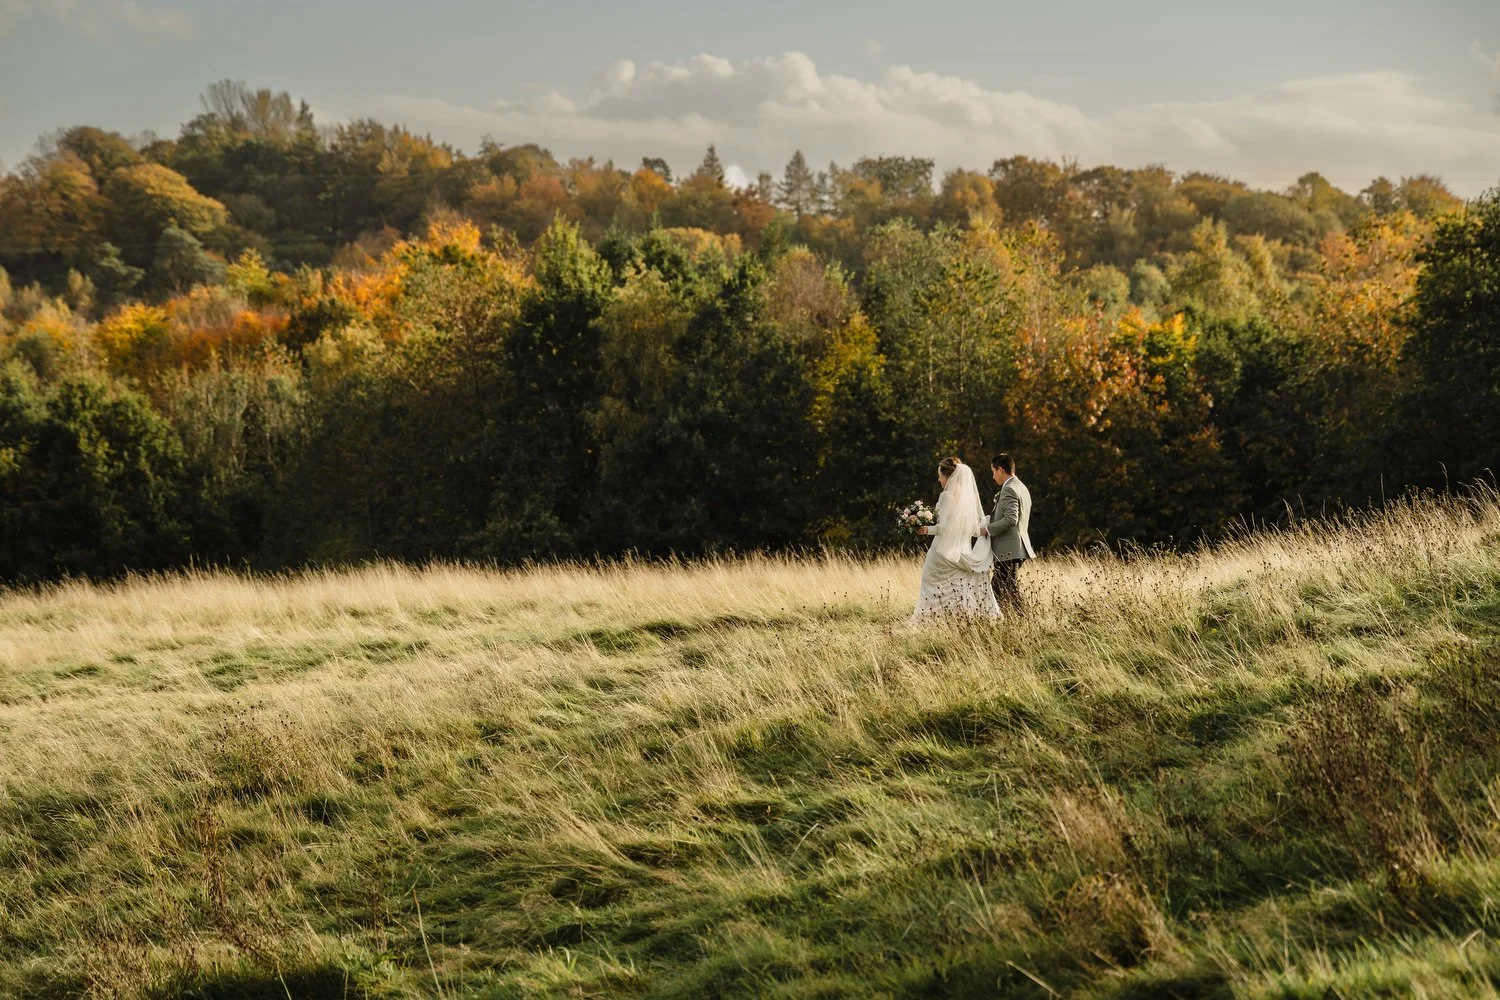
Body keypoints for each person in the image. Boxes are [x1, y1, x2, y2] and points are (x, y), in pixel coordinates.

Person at [912, 457, 1002, 622]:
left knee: (929, 580)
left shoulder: (946, 496)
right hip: (960, 549)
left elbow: (945, 528)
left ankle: (928, 620)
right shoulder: (966, 498)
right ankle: (956, 618)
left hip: (942, 551)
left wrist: (927, 529)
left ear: (948, 476)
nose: (939, 479)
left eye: (940, 475)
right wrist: (982, 532)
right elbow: (969, 527)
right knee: (959, 584)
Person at [980, 453, 1035, 613]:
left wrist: (988, 529)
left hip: (1009, 550)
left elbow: (1011, 518)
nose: (993, 476)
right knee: (1007, 587)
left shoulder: (1009, 489)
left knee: (1001, 589)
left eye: (993, 471)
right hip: (1017, 547)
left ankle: (1023, 620)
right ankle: (1015, 621)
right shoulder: (1021, 487)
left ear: (1001, 469)